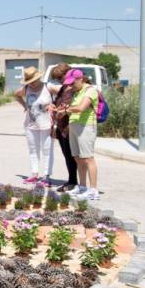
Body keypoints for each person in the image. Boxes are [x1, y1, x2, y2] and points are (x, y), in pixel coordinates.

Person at [56, 69, 100, 200]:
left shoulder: (90, 90)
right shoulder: (76, 92)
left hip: (86, 127)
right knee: (78, 158)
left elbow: (81, 108)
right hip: (74, 126)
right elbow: (72, 109)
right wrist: (61, 110)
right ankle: (82, 187)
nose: (70, 85)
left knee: (88, 159)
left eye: (73, 82)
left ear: (80, 79)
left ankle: (93, 190)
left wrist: (65, 109)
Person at [14, 66, 54, 186]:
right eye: (29, 82)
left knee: (47, 150)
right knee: (33, 150)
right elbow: (16, 95)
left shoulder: (48, 87)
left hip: (46, 124)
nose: (31, 84)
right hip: (30, 124)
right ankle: (34, 174)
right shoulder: (26, 88)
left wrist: (55, 105)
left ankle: (47, 176)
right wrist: (25, 106)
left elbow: (63, 93)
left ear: (38, 78)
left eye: (32, 81)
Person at [47, 63, 79, 192]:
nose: (60, 80)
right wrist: (52, 106)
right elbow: (57, 102)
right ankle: (71, 180)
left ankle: (74, 182)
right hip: (61, 127)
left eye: (61, 77)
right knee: (67, 155)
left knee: (73, 156)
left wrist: (64, 109)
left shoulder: (75, 89)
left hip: (71, 126)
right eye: (58, 78)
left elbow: (77, 106)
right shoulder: (63, 88)